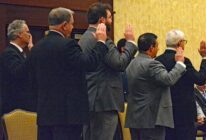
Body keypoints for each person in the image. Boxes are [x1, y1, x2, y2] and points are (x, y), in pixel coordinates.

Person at [30, 7, 108, 140]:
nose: (72, 27)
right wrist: (101, 42)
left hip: (45, 113)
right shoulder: (68, 45)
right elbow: (89, 64)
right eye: (72, 24)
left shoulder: (37, 46)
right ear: (64, 25)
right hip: (67, 114)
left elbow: (29, 77)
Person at [78, 3, 138, 140]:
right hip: (104, 100)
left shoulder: (83, 38)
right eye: (110, 17)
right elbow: (119, 63)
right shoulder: (102, 40)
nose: (112, 21)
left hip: (90, 98)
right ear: (102, 20)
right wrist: (130, 43)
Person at [125, 33, 186, 140]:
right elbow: (168, 79)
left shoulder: (131, 63)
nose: (158, 49)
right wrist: (180, 64)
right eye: (157, 46)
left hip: (134, 117)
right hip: (151, 119)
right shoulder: (151, 64)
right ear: (151, 48)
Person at [155, 29, 206, 140]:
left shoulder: (157, 60)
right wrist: (205, 58)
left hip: (164, 112)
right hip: (184, 114)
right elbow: (200, 79)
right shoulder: (183, 61)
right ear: (180, 43)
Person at [0, 20, 35, 115]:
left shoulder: (20, 53)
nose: (30, 35)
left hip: (23, 106)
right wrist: (32, 53)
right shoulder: (9, 53)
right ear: (19, 34)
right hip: (15, 107)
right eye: (27, 32)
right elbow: (19, 73)